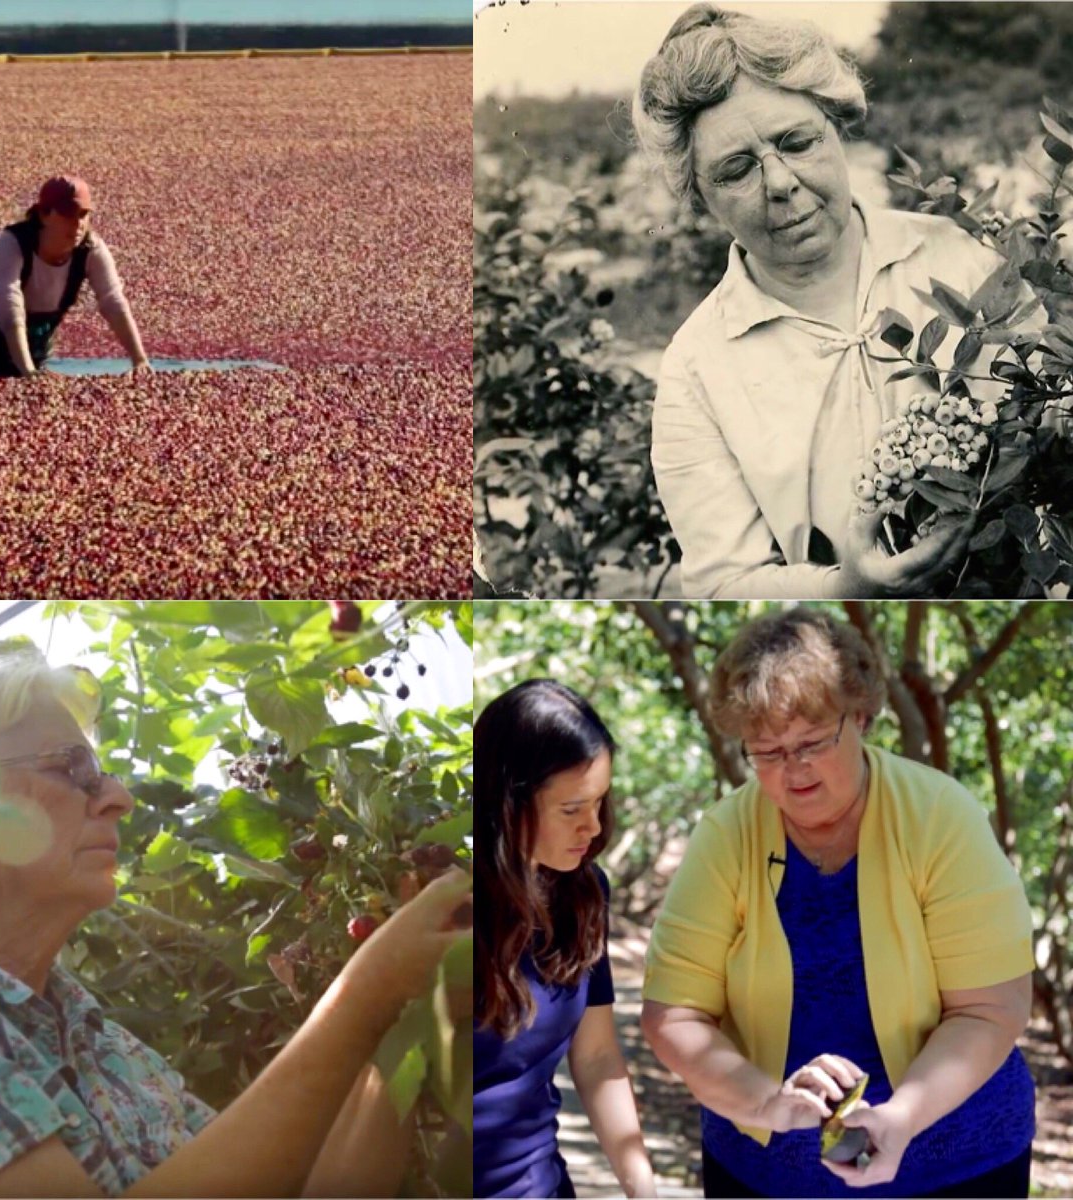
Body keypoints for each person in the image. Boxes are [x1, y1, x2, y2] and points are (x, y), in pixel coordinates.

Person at [0, 656, 472, 1198]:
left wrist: (410, 1015)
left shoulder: (103, 1046)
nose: (119, 797)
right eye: (73, 767)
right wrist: (366, 995)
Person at [631, 5, 1045, 599]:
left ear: (836, 124)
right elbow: (724, 582)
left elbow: (1051, 422)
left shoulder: (961, 258)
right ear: (699, 197)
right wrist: (848, 585)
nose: (780, 182)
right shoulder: (695, 370)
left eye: (797, 142)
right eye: (736, 170)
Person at [640, 608, 1035, 1198]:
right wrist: (766, 1103)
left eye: (811, 743)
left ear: (861, 717)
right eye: (766, 751)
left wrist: (901, 1117)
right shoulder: (726, 836)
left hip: (957, 1161)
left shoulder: (939, 818)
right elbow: (673, 1015)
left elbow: (990, 1009)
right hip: (764, 1173)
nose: (792, 769)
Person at [474, 679, 656, 1199]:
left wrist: (642, 1187)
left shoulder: (584, 893)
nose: (593, 828)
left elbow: (596, 1056)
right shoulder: (448, 903)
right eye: (572, 809)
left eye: (599, 802)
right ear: (507, 803)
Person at [0, 176, 152, 379]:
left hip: (32, 345)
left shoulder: (90, 249)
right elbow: (9, 305)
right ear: (43, 214)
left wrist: (140, 360)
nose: (77, 223)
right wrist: (28, 371)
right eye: (68, 214)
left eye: (83, 215)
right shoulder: (13, 243)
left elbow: (113, 302)